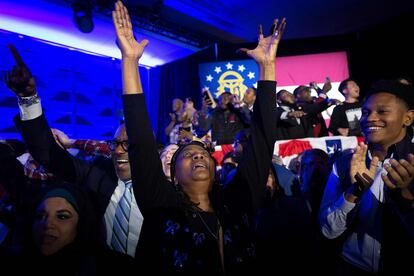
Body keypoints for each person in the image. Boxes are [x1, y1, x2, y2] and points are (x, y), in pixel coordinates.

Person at [113, 1, 284, 274]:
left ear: (216, 171)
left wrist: (267, 66)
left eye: (203, 153)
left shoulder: (237, 201)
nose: (198, 154)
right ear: (172, 176)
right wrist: (130, 61)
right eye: (187, 154)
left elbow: (263, 139)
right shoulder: (161, 204)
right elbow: (140, 139)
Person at [6, 44, 143, 258]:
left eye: (129, 143)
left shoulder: (164, 189)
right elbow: (47, 153)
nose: (119, 151)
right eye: (115, 143)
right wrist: (29, 98)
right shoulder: (98, 177)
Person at [319, 79, 414, 275]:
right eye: (365, 112)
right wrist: (354, 193)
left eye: (382, 111)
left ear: (408, 118)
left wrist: (405, 198)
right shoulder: (345, 163)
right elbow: (328, 230)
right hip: (352, 267)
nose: (370, 118)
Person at [3, 184, 135, 275]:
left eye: (62, 217)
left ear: (81, 224)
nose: (47, 224)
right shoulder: (13, 265)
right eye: (40, 216)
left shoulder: (115, 268)